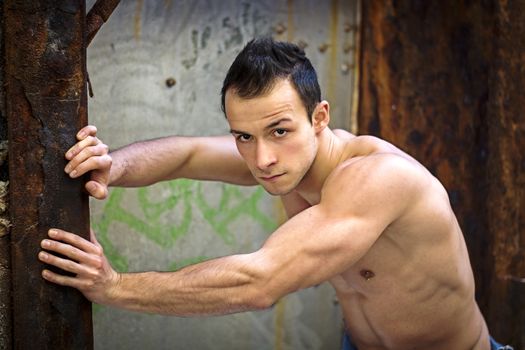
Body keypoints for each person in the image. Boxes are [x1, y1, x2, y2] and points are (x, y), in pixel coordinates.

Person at [38, 37, 510, 350]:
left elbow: (260, 282)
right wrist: (111, 164)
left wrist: (115, 286)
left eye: (279, 130)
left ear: (319, 117)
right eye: (243, 135)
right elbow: (186, 154)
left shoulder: (376, 178)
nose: (261, 157)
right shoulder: (282, 159)